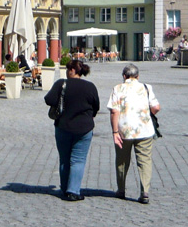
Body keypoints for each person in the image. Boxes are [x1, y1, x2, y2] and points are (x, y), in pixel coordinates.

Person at [43, 58, 100, 202]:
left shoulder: (61, 84)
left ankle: (64, 188)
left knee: (64, 159)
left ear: (72, 70)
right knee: (78, 160)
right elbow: (96, 106)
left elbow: (48, 99)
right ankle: (73, 191)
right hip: (84, 128)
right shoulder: (90, 86)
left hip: (63, 126)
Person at [107, 64, 160, 204]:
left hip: (124, 131)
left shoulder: (118, 88)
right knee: (145, 160)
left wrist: (114, 131)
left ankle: (121, 190)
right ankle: (145, 192)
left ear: (124, 76)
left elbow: (114, 111)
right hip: (144, 130)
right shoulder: (146, 87)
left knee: (122, 161)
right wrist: (146, 116)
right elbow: (156, 107)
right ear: (138, 76)